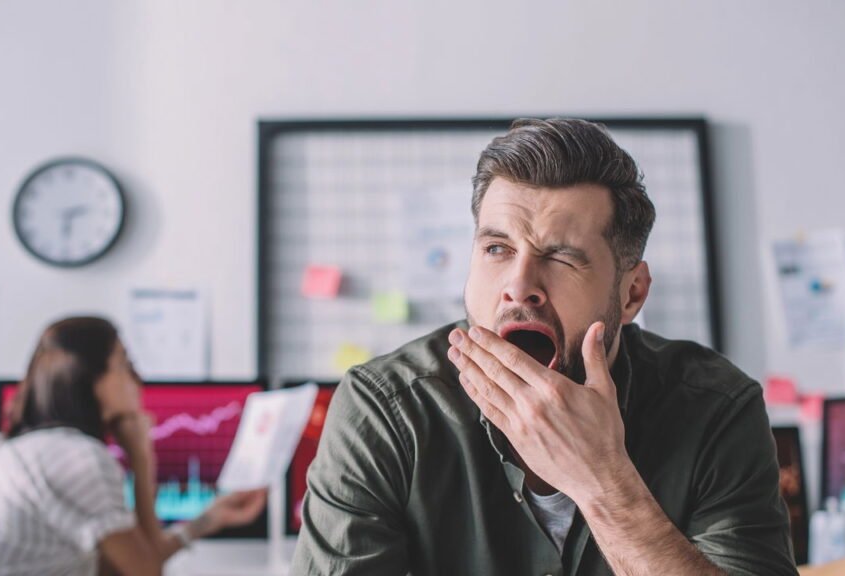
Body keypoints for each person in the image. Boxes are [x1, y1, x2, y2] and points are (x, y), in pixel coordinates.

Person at [291, 118, 797, 575]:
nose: (519, 286)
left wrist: (603, 481)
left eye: (560, 257)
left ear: (631, 294)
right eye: (496, 249)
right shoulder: (385, 409)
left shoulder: (716, 409)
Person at [0, 317, 267, 576]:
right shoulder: (78, 458)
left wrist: (208, 520)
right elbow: (145, 572)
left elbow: (120, 565)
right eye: (125, 365)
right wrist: (141, 458)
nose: (138, 380)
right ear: (91, 382)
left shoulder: (3, 448)